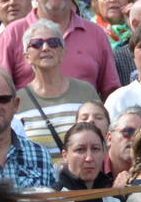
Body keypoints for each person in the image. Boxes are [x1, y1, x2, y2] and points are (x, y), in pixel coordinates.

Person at [9, 19, 101, 157]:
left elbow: (102, 137)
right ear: (27, 57)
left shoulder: (86, 92)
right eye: (37, 44)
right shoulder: (17, 101)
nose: (45, 48)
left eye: (53, 42)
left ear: (63, 53)